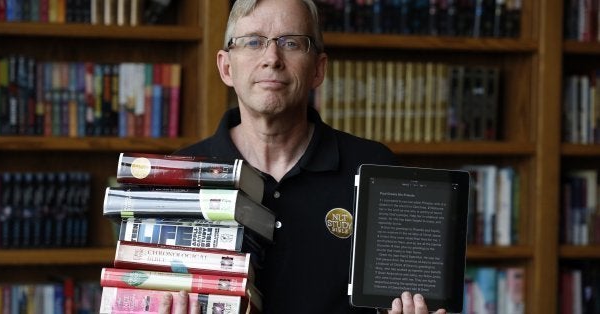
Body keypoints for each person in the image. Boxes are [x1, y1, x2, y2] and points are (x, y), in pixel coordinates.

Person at [164, 0, 447, 313]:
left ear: (318, 69)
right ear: (226, 67)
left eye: (291, 43)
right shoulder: (180, 176)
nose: (272, 59)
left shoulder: (375, 168)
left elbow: (407, 292)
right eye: (253, 42)